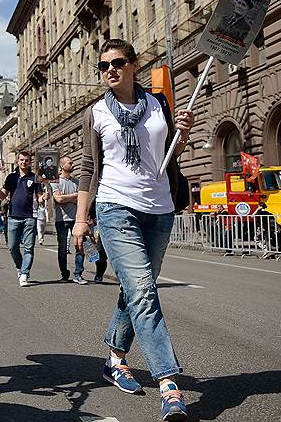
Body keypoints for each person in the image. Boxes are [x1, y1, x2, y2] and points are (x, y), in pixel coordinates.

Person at [73, 38, 194, 422]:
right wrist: (81, 218)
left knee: (137, 289)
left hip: (159, 209)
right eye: (103, 65)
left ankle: (114, 358)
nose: (110, 69)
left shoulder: (159, 104)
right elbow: (88, 168)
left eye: (118, 62)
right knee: (143, 290)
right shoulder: (95, 113)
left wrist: (183, 135)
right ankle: (170, 385)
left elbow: (168, 154)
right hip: (114, 207)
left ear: (134, 65)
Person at [0, 151, 42, 287]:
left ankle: (25, 274)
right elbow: (3, 196)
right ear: (17, 161)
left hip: (30, 217)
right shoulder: (11, 177)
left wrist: (43, 197)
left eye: (26, 160)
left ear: (30, 162)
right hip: (13, 216)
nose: (24, 162)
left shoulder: (34, 177)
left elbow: (39, 196)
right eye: (21, 160)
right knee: (12, 247)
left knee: (28, 248)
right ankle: (20, 267)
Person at [51, 156, 87, 284]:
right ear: (62, 166)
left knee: (80, 246)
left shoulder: (77, 182)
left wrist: (68, 198)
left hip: (76, 219)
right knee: (62, 248)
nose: (73, 165)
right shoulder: (55, 182)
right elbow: (59, 200)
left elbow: (81, 200)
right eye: (70, 163)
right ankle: (64, 274)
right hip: (61, 219)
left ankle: (78, 274)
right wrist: (75, 196)